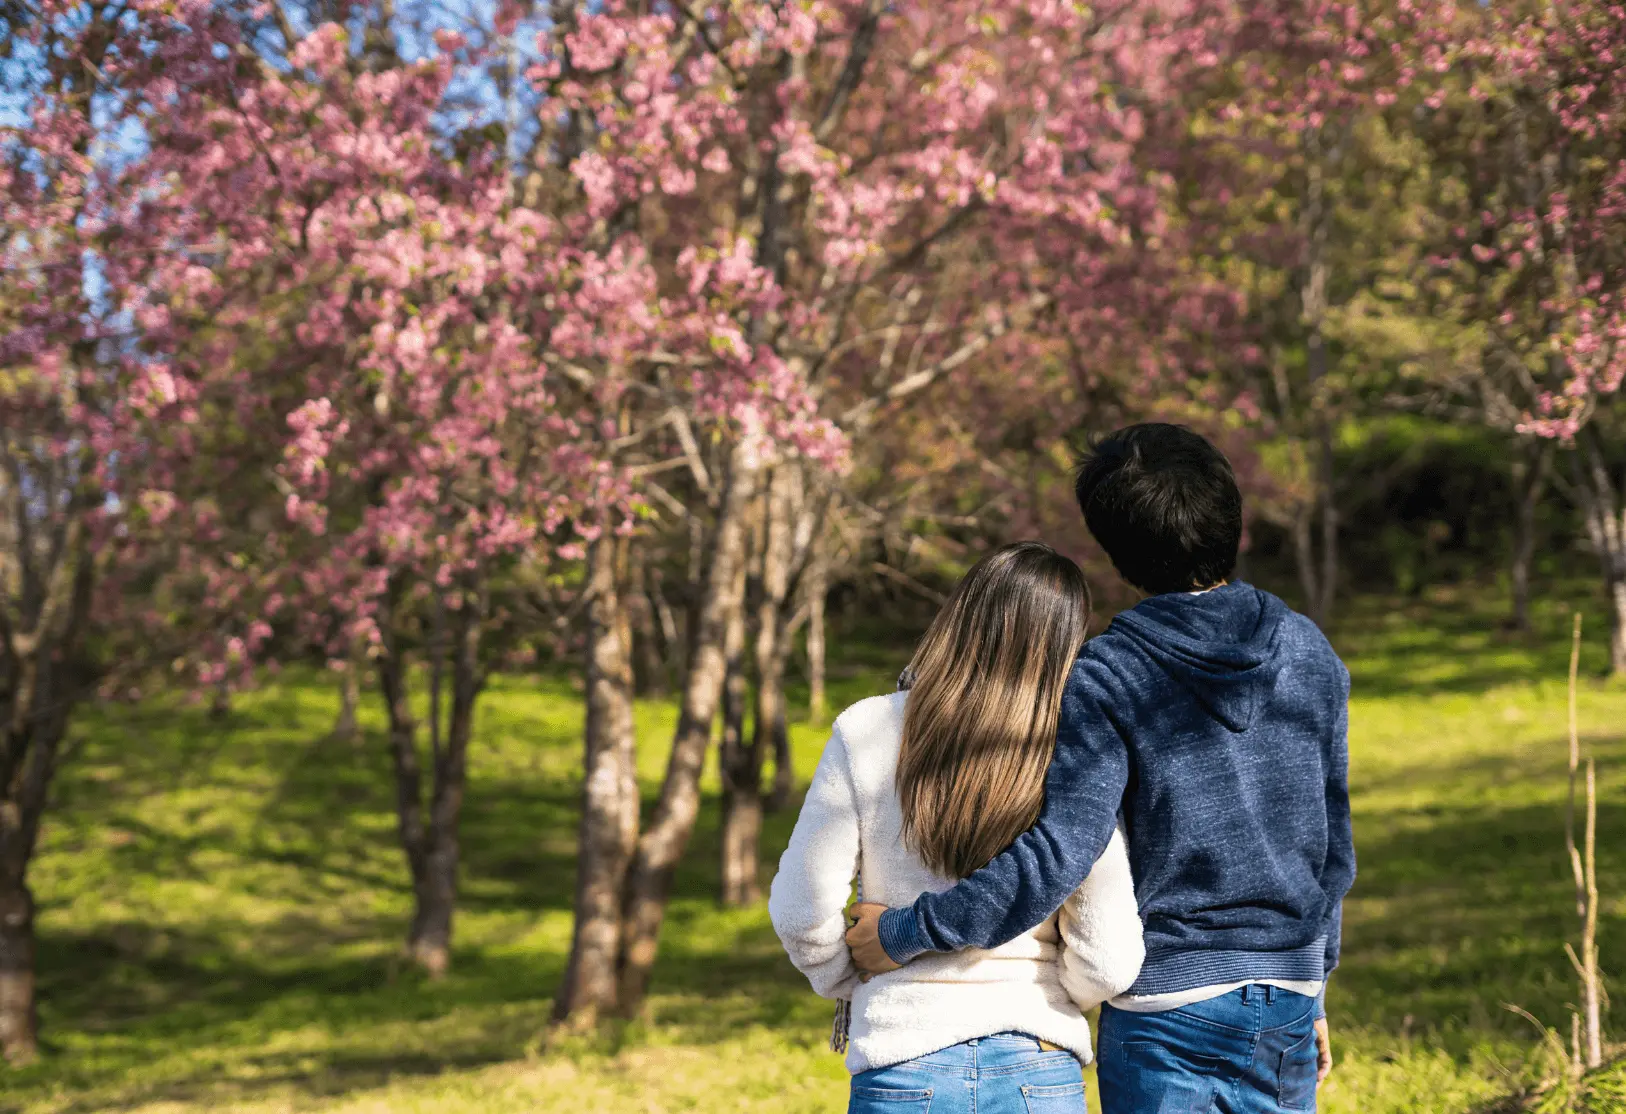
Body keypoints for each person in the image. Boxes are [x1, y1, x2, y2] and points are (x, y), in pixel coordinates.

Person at [845, 424, 1356, 1114]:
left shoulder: (1109, 675)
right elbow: (1333, 851)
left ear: (1116, 554)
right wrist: (1311, 985)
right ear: (1234, 521)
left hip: (1166, 1012)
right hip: (1286, 997)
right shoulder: (1310, 652)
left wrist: (906, 932)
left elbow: (1059, 856)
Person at [768, 542, 1145, 1114]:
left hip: (901, 1061)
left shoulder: (868, 729)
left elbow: (801, 909)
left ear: (960, 617)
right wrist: (1050, 995)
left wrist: (856, 979)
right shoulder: (1073, 760)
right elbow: (1110, 960)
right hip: (1037, 1065)